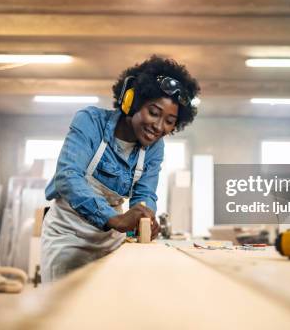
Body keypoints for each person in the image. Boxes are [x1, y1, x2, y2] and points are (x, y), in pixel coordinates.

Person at [40, 55, 200, 281]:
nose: (158, 126)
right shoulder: (91, 121)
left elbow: (144, 193)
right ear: (131, 101)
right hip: (68, 235)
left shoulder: (154, 147)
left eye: (169, 121)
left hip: (111, 242)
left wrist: (145, 217)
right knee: (61, 310)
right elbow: (67, 177)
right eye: (153, 112)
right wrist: (114, 219)